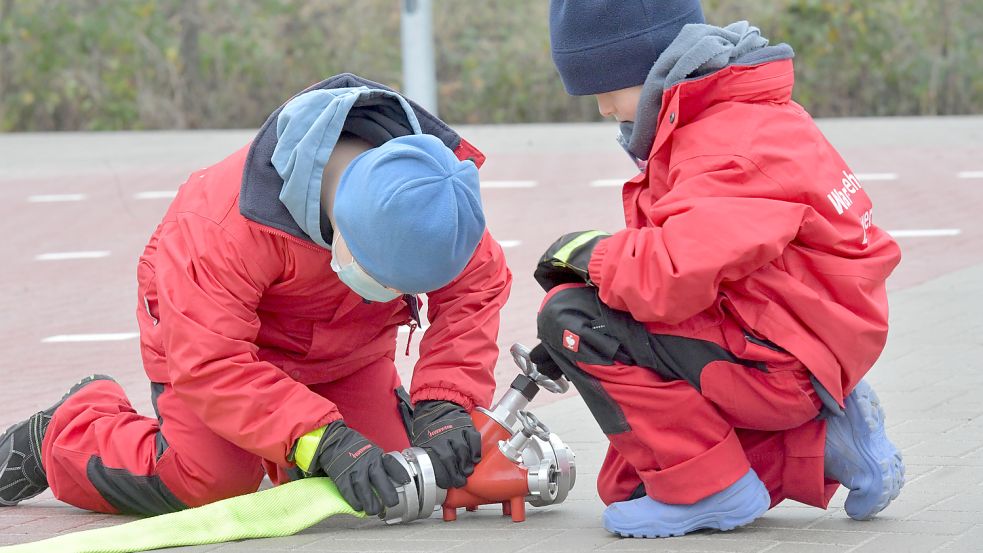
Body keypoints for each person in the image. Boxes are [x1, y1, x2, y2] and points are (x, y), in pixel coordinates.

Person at [0, 74, 512, 518]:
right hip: (221, 353)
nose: (397, 296)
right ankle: (64, 434)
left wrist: (444, 401)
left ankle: (290, 449)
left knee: (396, 473)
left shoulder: (430, 199)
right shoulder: (220, 225)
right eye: (388, 282)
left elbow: (477, 286)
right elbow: (210, 362)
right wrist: (324, 438)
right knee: (210, 483)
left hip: (344, 349)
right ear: (343, 230)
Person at [532, 0, 905, 538]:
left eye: (603, 90)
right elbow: (699, 253)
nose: (601, 109)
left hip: (782, 355)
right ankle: (826, 446)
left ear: (642, 68)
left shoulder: (721, 146)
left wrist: (588, 258)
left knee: (568, 315)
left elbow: (672, 273)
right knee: (631, 486)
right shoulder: (733, 112)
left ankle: (713, 490)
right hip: (792, 330)